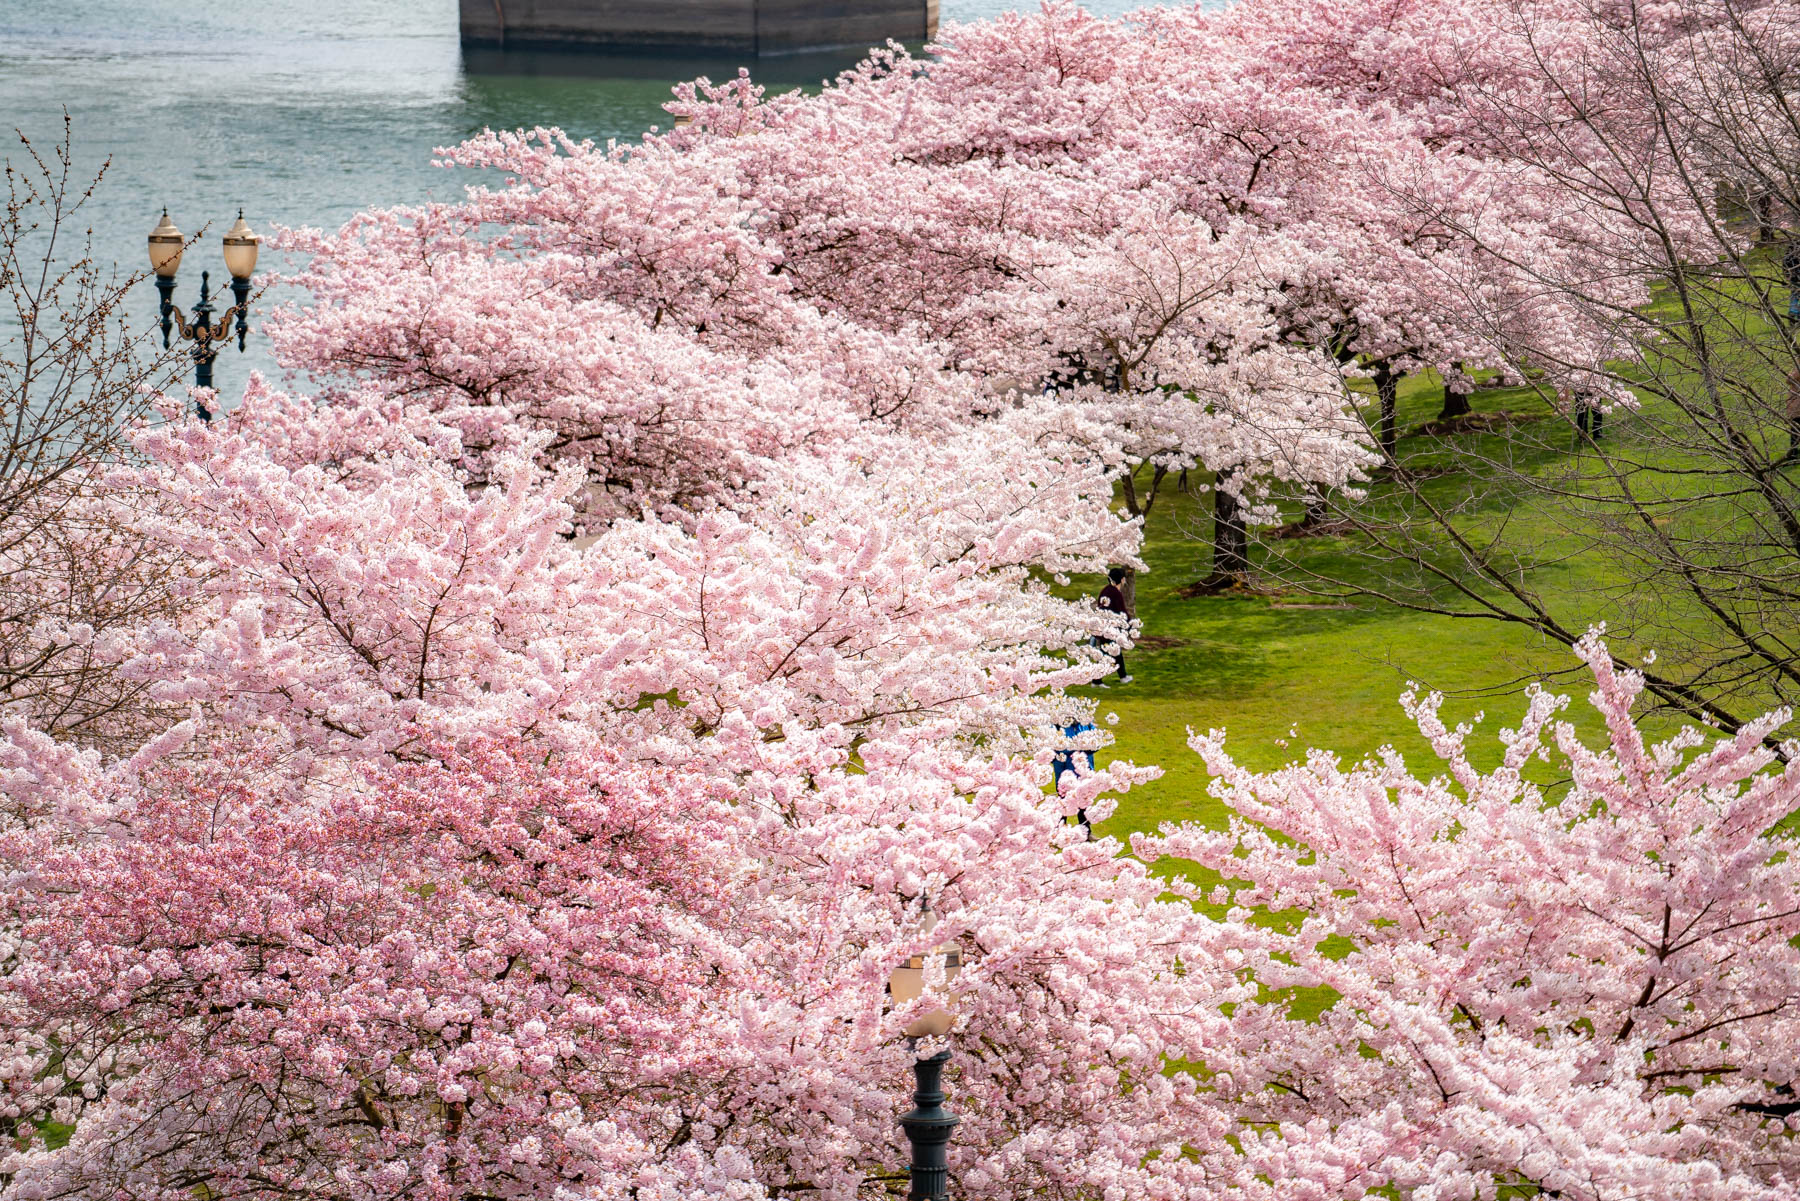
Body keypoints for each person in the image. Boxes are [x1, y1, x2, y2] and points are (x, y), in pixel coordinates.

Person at [1050, 717, 1096, 834]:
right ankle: (1059, 832)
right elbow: (1056, 747)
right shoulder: (1057, 726)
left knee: (1084, 801)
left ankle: (1086, 832)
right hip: (1065, 771)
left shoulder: (1086, 723)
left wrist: (1091, 747)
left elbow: (1097, 740)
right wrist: (1078, 747)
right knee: (1063, 801)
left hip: (1085, 769)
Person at [1094, 567, 1132, 685]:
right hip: (1109, 628)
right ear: (1122, 579)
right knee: (1108, 653)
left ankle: (1122, 676)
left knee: (1113, 652)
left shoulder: (1105, 590)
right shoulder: (1115, 593)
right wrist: (1129, 624)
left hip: (1103, 627)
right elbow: (1121, 612)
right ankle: (1096, 680)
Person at [1785, 236, 1800, 326]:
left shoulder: (1787, 255)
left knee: (1794, 295)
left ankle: (1793, 312)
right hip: (1797, 278)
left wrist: (1787, 276)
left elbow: (1785, 267)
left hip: (1793, 278)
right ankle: (1797, 314)